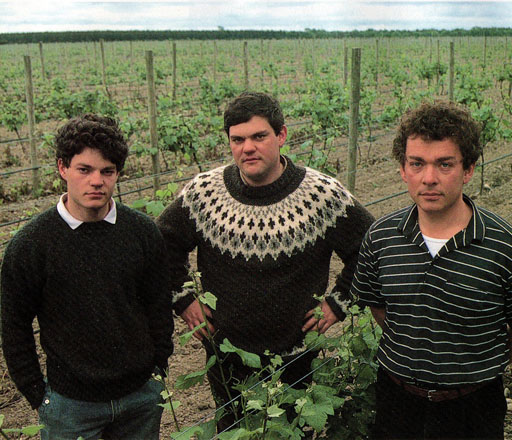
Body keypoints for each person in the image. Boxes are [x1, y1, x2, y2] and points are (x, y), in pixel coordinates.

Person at [156, 91, 375, 432]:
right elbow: (161, 246)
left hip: (298, 357)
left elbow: (370, 248)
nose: (248, 148)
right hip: (226, 357)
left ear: (281, 135)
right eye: (237, 140)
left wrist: (338, 303)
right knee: (232, 431)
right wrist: (183, 301)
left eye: (259, 136)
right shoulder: (203, 194)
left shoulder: (321, 196)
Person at [350, 101, 512, 440]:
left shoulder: (508, 248)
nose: (429, 178)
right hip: (396, 402)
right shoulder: (381, 236)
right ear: (402, 169)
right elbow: (382, 310)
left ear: (468, 169)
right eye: (417, 164)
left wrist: (474, 364)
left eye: (445, 164)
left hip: (473, 409)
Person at [1, 114, 174, 440]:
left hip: (139, 398)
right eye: (85, 170)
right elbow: (14, 327)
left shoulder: (142, 233)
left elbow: (158, 305)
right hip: (70, 406)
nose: (97, 181)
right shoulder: (31, 245)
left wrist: (158, 370)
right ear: (62, 168)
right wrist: (38, 394)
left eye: (107, 171)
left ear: (117, 174)